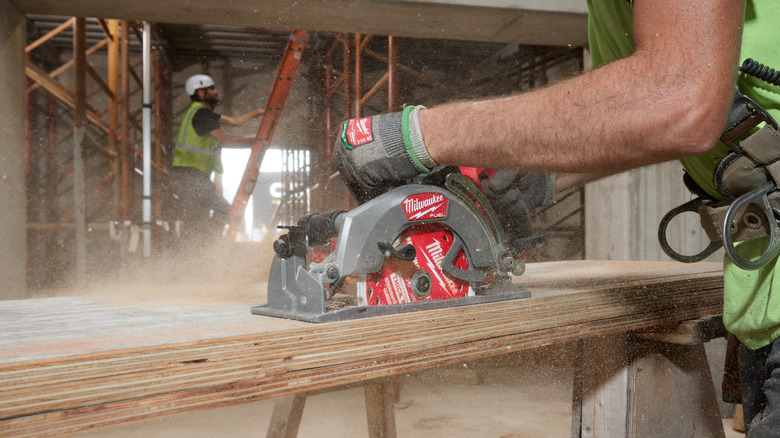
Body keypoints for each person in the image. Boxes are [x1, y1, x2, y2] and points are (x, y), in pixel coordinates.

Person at [334, 1, 780, 435]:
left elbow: (678, 96)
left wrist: (421, 136)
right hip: (760, 283)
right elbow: (628, 118)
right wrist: (538, 177)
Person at [170, 73, 265, 244]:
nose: (216, 92)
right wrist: (254, 141)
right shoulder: (200, 114)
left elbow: (234, 122)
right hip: (190, 176)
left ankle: (205, 245)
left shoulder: (201, 113)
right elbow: (225, 140)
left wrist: (259, 112)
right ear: (200, 93)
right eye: (211, 89)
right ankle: (204, 247)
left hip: (194, 177)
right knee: (201, 219)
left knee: (212, 215)